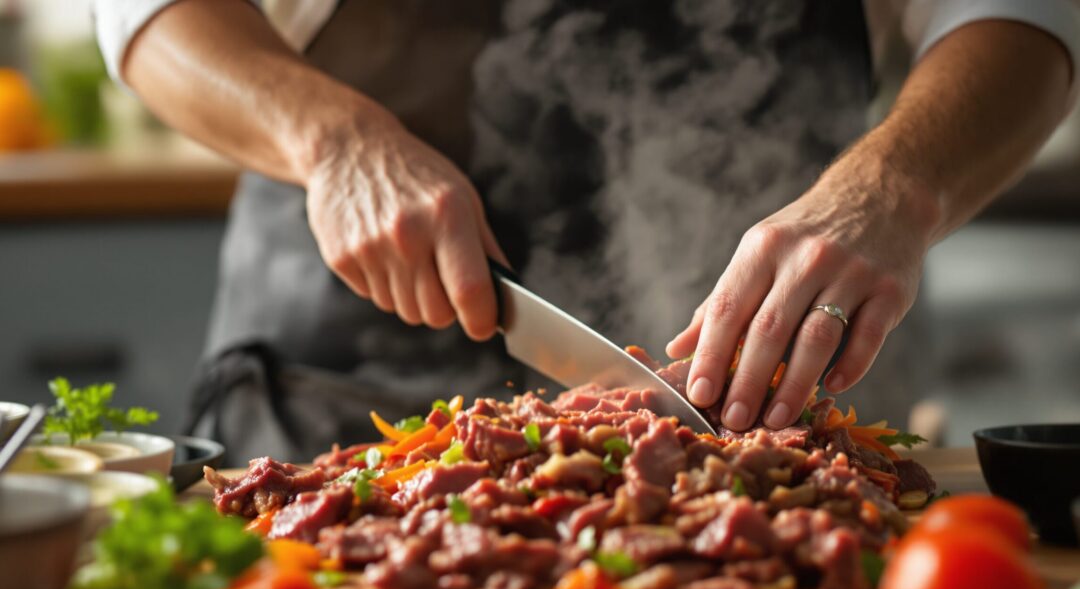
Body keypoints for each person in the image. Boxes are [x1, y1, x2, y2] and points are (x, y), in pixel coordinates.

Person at [92, 0, 1077, 463]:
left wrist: (892, 187)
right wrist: (332, 138)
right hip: (330, 404)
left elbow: (1025, 16)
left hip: (775, 405)